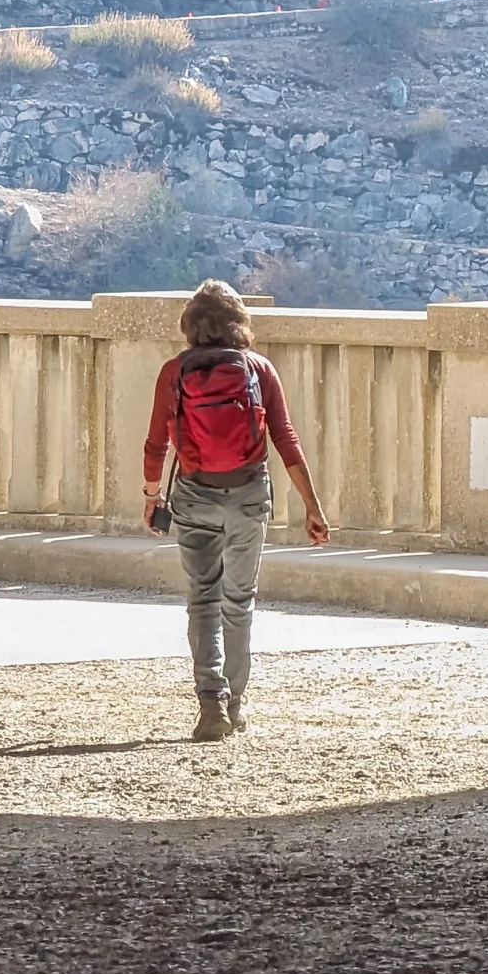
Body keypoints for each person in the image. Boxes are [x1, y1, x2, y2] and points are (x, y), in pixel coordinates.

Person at [143, 280, 329, 740]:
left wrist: (152, 496)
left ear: (190, 325)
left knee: (202, 599)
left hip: (194, 494)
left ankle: (212, 703)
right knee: (238, 601)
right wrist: (312, 505)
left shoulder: (173, 371)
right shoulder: (258, 368)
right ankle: (237, 702)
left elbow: (155, 444)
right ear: (238, 323)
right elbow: (285, 438)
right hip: (247, 494)